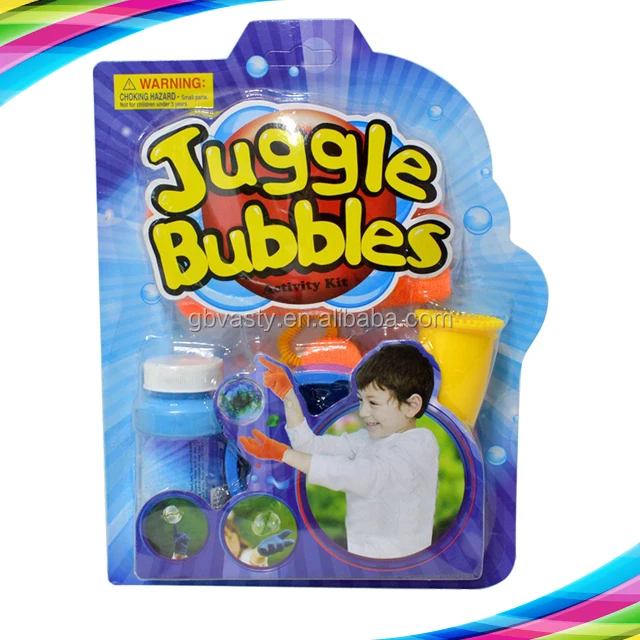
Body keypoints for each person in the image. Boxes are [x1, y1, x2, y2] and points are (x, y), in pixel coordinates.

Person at [240, 344, 439, 559]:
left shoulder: (419, 445)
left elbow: (362, 476)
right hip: (360, 558)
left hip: (400, 564)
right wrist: (289, 397)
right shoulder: (369, 440)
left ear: (411, 406)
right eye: (361, 401)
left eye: (373, 403)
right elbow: (310, 447)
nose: (363, 412)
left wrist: (285, 454)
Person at [224, 516, 294, 567]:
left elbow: (249, 561)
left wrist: (258, 554)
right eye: (223, 543)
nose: (230, 547)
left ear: (237, 535)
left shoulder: (245, 555)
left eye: (230, 537)